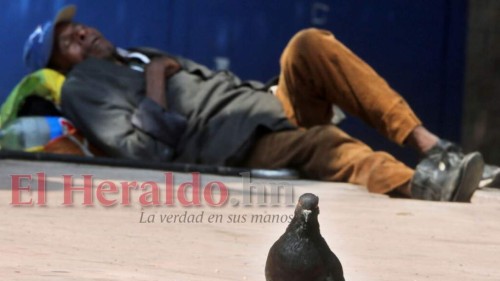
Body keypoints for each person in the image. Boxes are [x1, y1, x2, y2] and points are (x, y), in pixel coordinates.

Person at [22, 5, 488, 202]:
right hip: (229, 141)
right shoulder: (83, 85)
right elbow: (144, 152)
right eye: (69, 41)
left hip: (263, 102)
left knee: (307, 44)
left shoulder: (134, 52)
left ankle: (434, 148)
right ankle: (419, 185)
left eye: (77, 27)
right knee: (325, 144)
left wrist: (155, 68)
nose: (81, 32)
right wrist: (158, 79)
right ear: (62, 66)